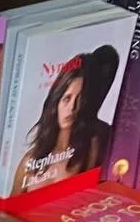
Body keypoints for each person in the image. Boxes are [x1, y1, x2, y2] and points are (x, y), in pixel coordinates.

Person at [10, 47, 118, 195]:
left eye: (80, 99)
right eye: (66, 98)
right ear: (56, 100)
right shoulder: (29, 161)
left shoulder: (94, 146)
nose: (72, 107)